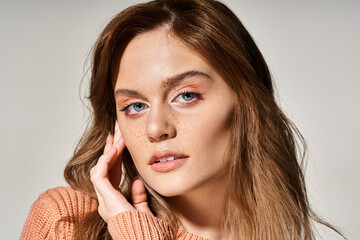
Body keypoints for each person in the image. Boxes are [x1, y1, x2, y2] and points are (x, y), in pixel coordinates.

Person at [20, 0, 344, 239]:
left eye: (186, 95)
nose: (156, 128)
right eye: (134, 106)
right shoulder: (66, 223)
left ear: (247, 104)